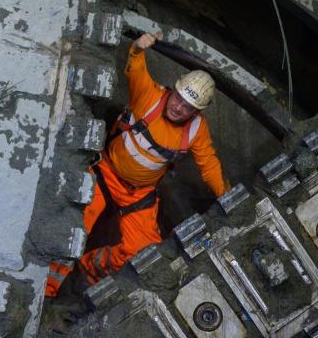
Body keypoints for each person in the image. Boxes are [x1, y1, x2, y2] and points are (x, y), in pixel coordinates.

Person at [45, 31, 229, 296]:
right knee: (70, 231)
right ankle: (46, 291)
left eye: (187, 106)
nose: (178, 107)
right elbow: (135, 70)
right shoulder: (150, 96)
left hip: (139, 194)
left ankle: (87, 273)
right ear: (174, 89)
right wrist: (138, 48)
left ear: (197, 112)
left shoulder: (196, 130)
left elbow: (208, 164)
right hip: (105, 173)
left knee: (145, 255)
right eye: (178, 98)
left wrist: (226, 196)